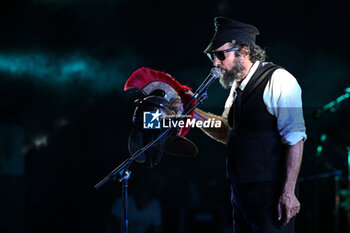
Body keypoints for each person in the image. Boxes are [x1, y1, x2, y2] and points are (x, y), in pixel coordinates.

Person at [192, 17, 306, 233]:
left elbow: (295, 138)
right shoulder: (236, 88)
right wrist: (192, 113)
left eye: (220, 55)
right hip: (241, 195)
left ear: (243, 51)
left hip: (271, 195)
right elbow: (227, 132)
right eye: (211, 56)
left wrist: (289, 192)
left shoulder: (280, 80)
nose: (215, 63)